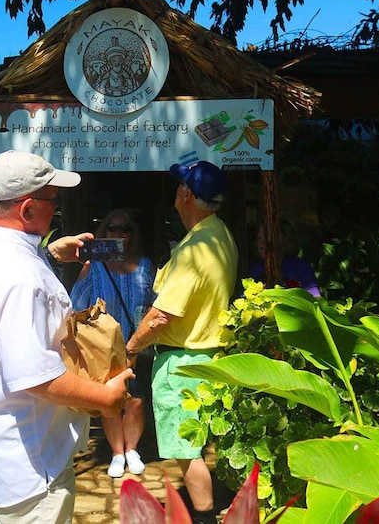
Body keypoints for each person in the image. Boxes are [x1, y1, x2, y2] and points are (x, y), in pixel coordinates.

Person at [0, 150, 133, 524]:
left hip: (7, 453)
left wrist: (49, 254)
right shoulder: (19, 276)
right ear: (28, 209)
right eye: (53, 200)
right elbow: (38, 378)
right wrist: (106, 398)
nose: (57, 209)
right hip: (36, 472)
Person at [125, 160, 238, 524]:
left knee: (187, 453)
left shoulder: (194, 249)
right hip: (208, 356)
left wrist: (130, 349)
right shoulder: (220, 234)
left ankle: (202, 519)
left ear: (186, 194)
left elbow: (161, 316)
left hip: (181, 362)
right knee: (199, 447)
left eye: (179, 187)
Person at [70, 208, 156, 478]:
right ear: (104, 231)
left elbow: (157, 304)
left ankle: (132, 449)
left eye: (124, 229)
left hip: (138, 342)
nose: (118, 234)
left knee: (137, 401)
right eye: (112, 229)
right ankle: (117, 453)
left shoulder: (145, 266)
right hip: (105, 346)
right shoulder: (94, 266)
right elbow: (75, 304)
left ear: (133, 234)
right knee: (110, 401)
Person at [248, 221, 321, 296]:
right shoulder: (256, 269)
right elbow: (246, 296)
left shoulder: (299, 266)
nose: (261, 242)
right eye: (259, 238)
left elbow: (314, 296)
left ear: (285, 240)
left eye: (267, 237)